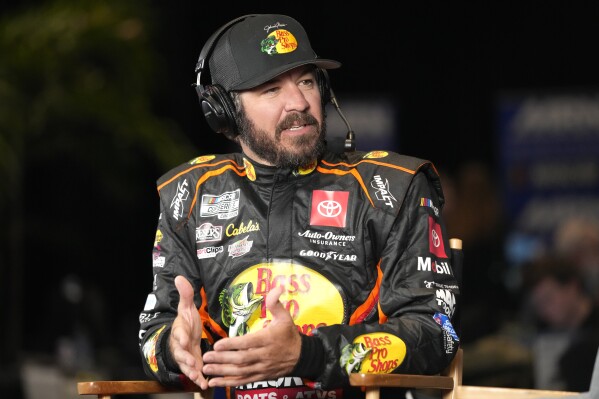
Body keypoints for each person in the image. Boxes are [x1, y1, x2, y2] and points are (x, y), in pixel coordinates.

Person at [137, 14, 460, 399]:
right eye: (271, 89)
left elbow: (437, 333)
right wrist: (174, 350)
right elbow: (153, 337)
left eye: (306, 80)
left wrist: (308, 355)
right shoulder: (189, 194)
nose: (299, 102)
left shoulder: (391, 187)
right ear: (223, 111)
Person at [520, 253, 599, 392]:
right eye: (538, 305)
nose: (543, 310)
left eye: (548, 298)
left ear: (572, 287)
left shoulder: (592, 337)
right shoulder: (543, 333)